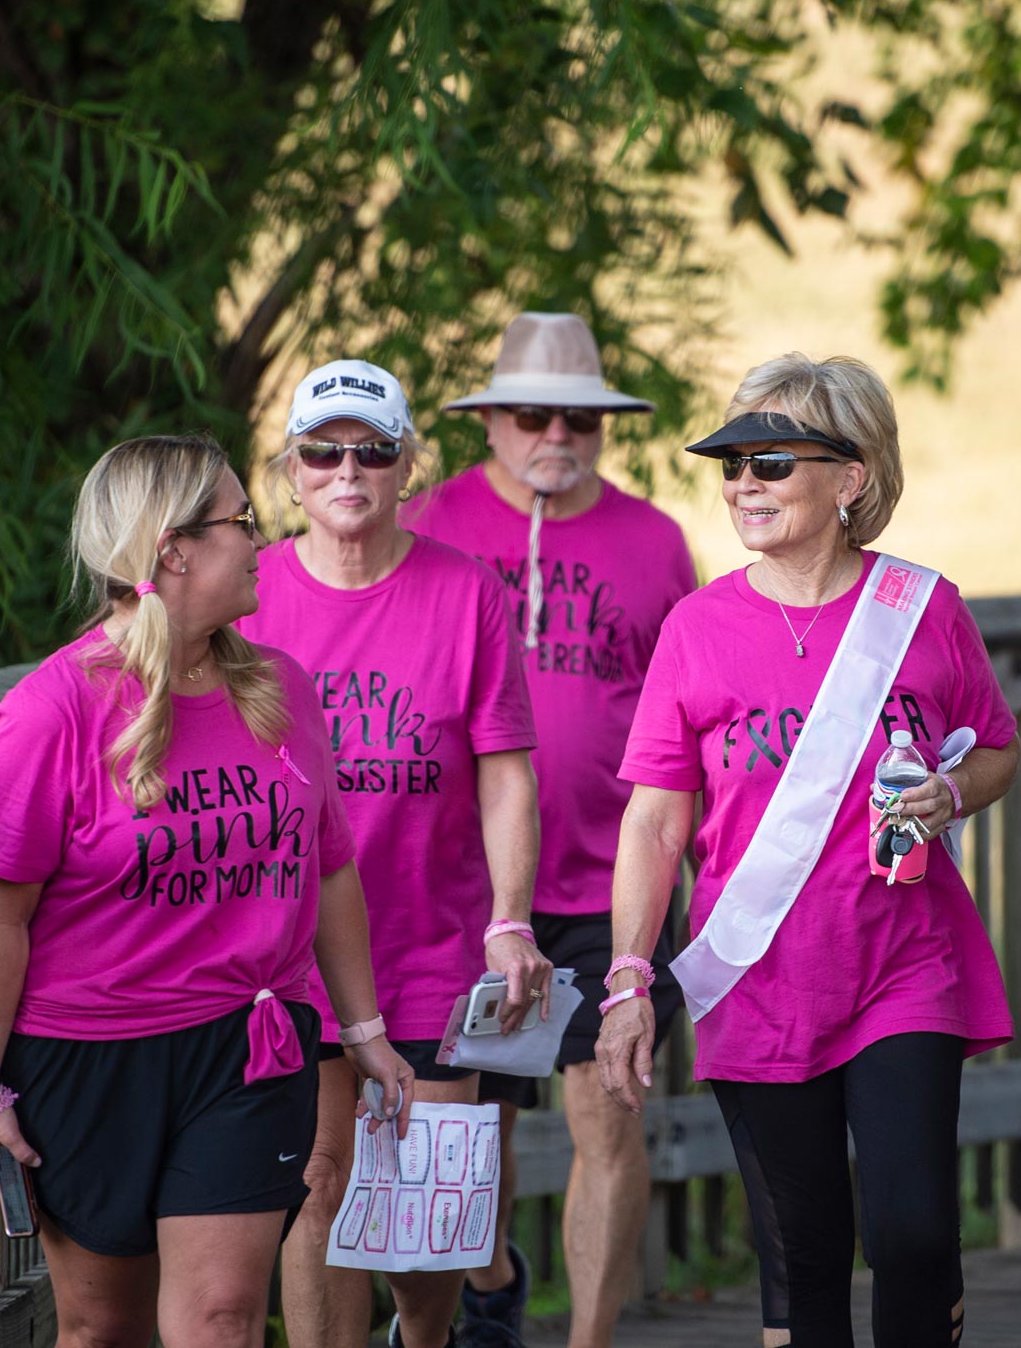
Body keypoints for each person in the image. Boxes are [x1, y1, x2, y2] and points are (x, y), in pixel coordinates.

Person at [594, 354, 1021, 1348]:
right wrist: (625, 978)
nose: (744, 483)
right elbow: (655, 822)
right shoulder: (696, 628)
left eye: (772, 463)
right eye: (732, 463)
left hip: (903, 963)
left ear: (852, 477)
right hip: (761, 977)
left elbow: (998, 747)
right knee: (808, 1259)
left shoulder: (923, 606)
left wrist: (952, 790)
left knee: (914, 1233)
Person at [0, 434, 414, 1348]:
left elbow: (328, 868)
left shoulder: (280, 692)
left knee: (222, 1317)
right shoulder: (52, 713)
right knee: (101, 1329)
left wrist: (363, 1031)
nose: (260, 540)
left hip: (247, 1052)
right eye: (241, 522)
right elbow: (1, 922)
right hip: (91, 1059)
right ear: (172, 550)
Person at [238, 360, 553, 1348]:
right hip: (288, 953)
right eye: (323, 450)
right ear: (291, 471)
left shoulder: (463, 591)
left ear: (406, 465)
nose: (348, 469)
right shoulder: (250, 597)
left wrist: (510, 918)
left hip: (430, 944)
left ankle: (426, 1333)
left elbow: (505, 770)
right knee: (318, 1178)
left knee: (426, 1231)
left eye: (372, 449)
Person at [404, 313, 695, 1348]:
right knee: (471, 1124)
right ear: (490, 421)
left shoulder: (654, 542)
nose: (556, 435)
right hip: (466, 890)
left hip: (613, 883)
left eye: (580, 417)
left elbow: (694, 705)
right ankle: (490, 1281)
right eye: (532, 415)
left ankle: (590, 1338)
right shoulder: (430, 521)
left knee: (606, 1121)